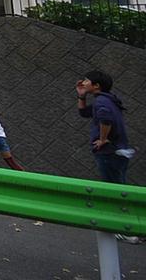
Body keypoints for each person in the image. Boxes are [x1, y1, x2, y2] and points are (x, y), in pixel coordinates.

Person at [77, 69, 139, 244]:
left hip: (109, 152)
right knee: (120, 188)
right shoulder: (108, 99)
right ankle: (130, 225)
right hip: (119, 151)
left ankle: (122, 229)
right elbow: (83, 113)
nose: (83, 82)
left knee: (115, 191)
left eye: (87, 81)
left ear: (96, 86)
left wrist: (102, 139)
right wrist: (81, 96)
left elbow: (106, 120)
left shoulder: (101, 102)